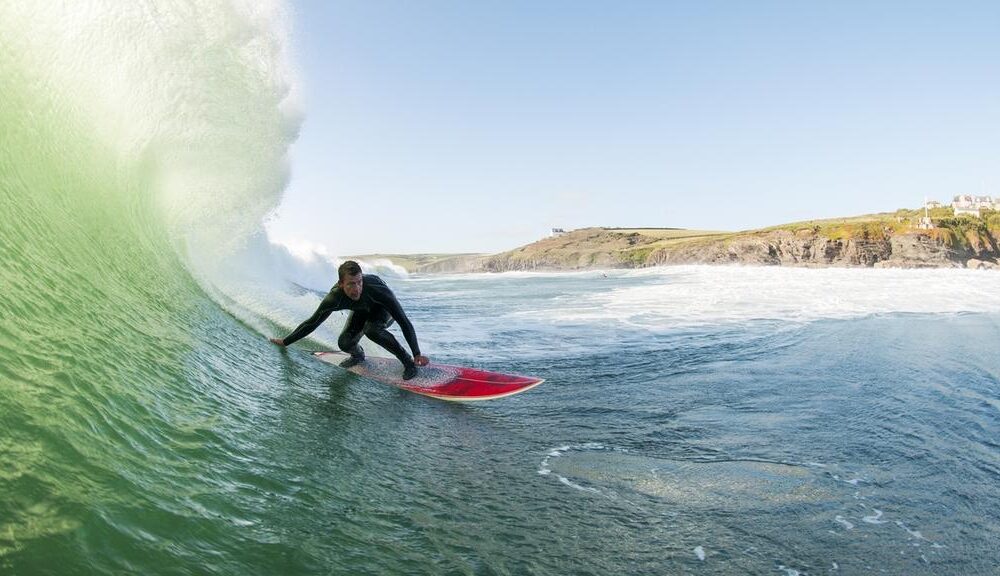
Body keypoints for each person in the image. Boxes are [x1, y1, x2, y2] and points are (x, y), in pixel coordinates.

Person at [269, 260, 429, 380]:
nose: (357, 288)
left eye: (359, 282)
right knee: (344, 343)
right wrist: (286, 341)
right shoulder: (334, 299)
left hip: (384, 312)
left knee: (372, 331)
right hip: (361, 311)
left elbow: (404, 321)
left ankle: (407, 362)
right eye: (351, 284)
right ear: (341, 284)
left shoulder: (377, 290)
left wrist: (417, 353)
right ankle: (358, 356)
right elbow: (312, 323)